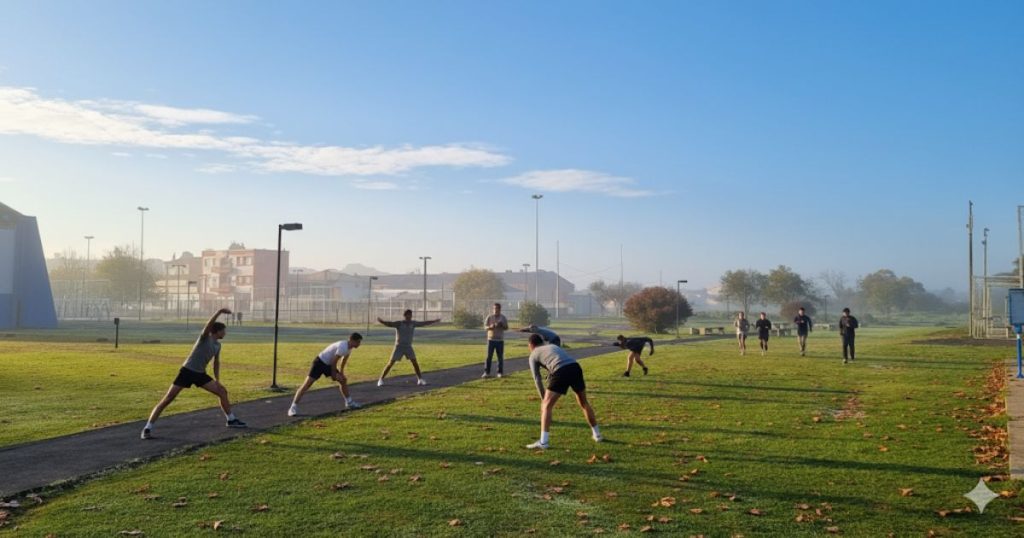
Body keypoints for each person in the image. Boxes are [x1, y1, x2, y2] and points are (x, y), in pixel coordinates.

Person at [141, 308, 245, 439]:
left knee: (222, 391)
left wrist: (218, 380)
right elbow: (208, 325)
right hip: (187, 371)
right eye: (223, 330)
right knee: (168, 399)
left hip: (200, 374)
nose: (225, 333)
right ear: (216, 331)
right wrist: (218, 312)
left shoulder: (218, 346)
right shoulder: (204, 338)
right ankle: (147, 428)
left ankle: (231, 420)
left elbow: (216, 362)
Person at [524, 334, 601, 449]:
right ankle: (597, 434)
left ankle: (543, 443)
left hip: (561, 370)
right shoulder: (552, 346)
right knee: (583, 402)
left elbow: (537, 378)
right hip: (575, 367)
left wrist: (543, 398)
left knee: (546, 406)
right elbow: (558, 359)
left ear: (530, 345)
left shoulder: (533, 354)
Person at [287, 333, 363, 417]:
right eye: (358, 342)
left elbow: (343, 361)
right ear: (352, 340)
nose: (359, 344)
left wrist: (341, 373)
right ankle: (293, 407)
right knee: (307, 385)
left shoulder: (349, 348)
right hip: (319, 363)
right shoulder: (343, 346)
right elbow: (334, 361)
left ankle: (349, 402)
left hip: (329, 365)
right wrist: (334, 375)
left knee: (343, 380)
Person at [377, 309, 439, 387]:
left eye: (411, 315)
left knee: (414, 362)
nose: (410, 316)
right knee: (390, 363)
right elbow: (390, 324)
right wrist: (382, 322)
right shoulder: (399, 323)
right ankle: (381, 380)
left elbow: (423, 323)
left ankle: (420, 379)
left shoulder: (413, 323)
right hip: (399, 347)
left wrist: (434, 321)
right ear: (405, 315)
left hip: (408, 347)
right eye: (408, 315)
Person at [482, 303, 509, 378]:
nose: (495, 310)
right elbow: (485, 327)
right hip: (491, 339)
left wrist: (502, 325)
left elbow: (506, 327)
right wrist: (490, 326)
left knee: (500, 357)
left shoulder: (503, 318)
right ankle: (487, 372)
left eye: (497, 308)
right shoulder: (489, 317)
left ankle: (499, 372)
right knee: (488, 357)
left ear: (500, 309)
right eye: (494, 308)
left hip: (500, 340)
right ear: (492, 309)